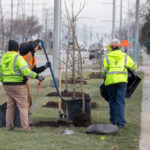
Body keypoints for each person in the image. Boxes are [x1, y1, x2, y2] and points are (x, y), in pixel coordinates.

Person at [0, 40, 44, 131]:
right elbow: (26, 71)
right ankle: (25, 127)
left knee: (10, 106)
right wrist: (37, 76)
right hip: (18, 85)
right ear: (17, 49)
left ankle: (9, 127)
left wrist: (3, 82)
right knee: (23, 106)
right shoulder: (18, 57)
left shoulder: (3, 58)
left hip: (6, 85)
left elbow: (0, 73)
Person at [102, 39, 137, 128]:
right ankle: (121, 123)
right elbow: (133, 67)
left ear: (111, 47)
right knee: (120, 102)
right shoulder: (125, 56)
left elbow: (104, 71)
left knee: (112, 100)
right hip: (122, 82)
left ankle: (113, 120)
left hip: (110, 82)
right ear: (119, 47)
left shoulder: (107, 57)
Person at [19, 39, 50, 112]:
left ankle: (26, 119)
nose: (37, 50)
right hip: (18, 79)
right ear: (33, 45)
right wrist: (37, 41)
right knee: (24, 102)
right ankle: (23, 119)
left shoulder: (33, 58)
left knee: (29, 100)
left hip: (24, 80)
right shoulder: (24, 51)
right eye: (37, 47)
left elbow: (35, 71)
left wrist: (45, 66)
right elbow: (24, 46)